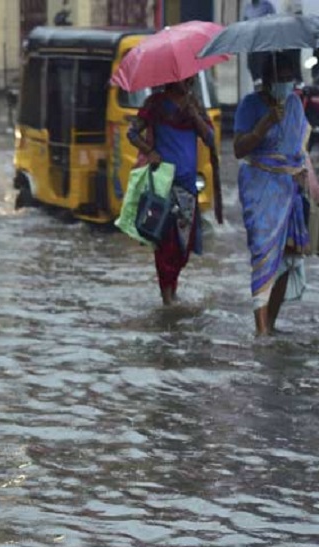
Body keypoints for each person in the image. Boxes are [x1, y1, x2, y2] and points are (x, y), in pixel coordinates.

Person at [233, 54, 311, 336]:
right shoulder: (248, 105)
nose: (286, 83)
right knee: (263, 256)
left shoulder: (293, 104)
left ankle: (271, 324)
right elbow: (239, 149)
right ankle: (261, 331)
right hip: (259, 188)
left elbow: (299, 148)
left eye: (290, 77)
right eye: (282, 77)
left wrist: (307, 179)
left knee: (289, 260)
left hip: (288, 190)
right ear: (268, 80)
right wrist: (264, 124)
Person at [127, 76, 216, 306]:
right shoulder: (154, 104)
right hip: (163, 185)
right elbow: (132, 133)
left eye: (191, 78)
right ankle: (167, 297)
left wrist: (194, 114)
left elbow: (210, 137)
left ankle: (173, 289)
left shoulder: (194, 104)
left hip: (188, 187)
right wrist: (150, 151)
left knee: (183, 246)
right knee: (165, 243)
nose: (189, 81)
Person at [243, 0, 276, 85]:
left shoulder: (267, 6)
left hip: (263, 44)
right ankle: (257, 88)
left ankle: (265, 88)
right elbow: (245, 22)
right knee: (251, 67)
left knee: (262, 71)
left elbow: (273, 23)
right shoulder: (248, 7)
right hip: (251, 44)